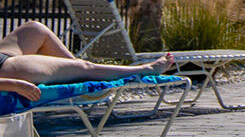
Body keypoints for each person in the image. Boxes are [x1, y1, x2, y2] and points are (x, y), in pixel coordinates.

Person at [0, 22, 174, 102]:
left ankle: (75, 74)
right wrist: (16, 85)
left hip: (3, 56)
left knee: (35, 28)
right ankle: (146, 69)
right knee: (85, 67)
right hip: (7, 71)